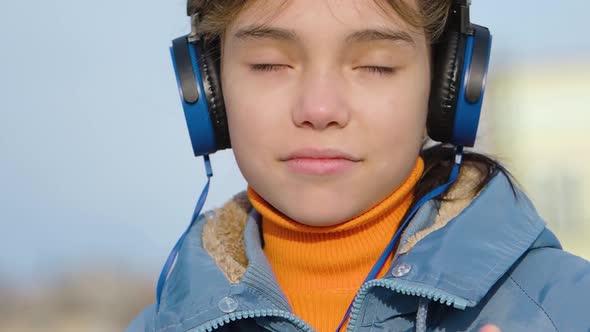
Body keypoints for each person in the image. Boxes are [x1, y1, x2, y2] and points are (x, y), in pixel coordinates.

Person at [127, 0, 590, 331]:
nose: (320, 108)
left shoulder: (570, 308)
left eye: (376, 65)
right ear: (207, 87)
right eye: (269, 64)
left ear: (447, 83)